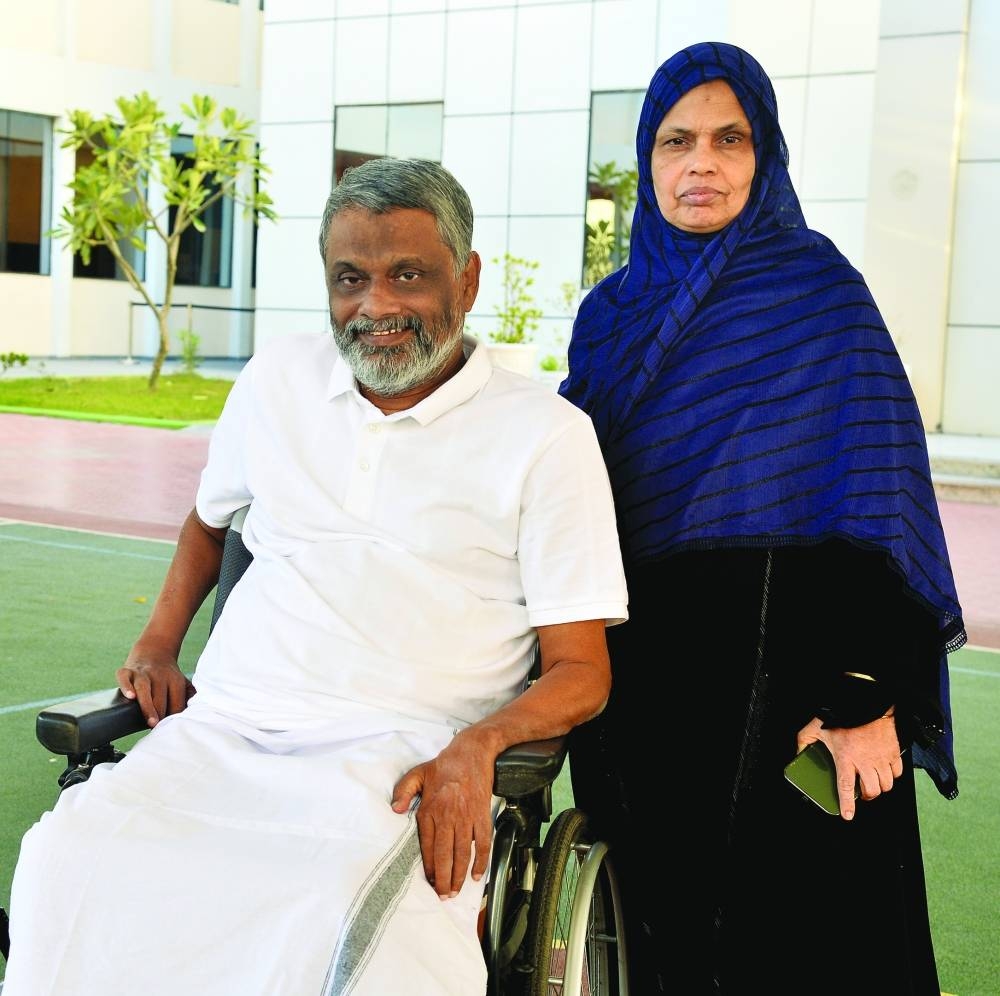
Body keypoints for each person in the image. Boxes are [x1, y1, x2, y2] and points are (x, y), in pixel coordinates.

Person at [3, 157, 628, 995]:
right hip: (226, 732)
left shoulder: (547, 437)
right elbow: (206, 520)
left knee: (341, 908)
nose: (375, 306)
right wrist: (156, 644)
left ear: (467, 278)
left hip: (403, 754)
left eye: (408, 274)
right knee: (67, 858)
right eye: (350, 279)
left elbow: (583, 671)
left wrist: (477, 747)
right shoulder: (276, 381)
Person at [559, 42, 965, 995]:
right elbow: (573, 489)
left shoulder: (822, 297)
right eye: (675, 141)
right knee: (658, 937)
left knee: (806, 947)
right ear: (647, 160)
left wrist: (867, 692)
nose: (700, 163)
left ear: (765, 153)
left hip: (795, 691)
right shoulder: (607, 316)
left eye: (728, 138)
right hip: (643, 693)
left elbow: (880, 495)